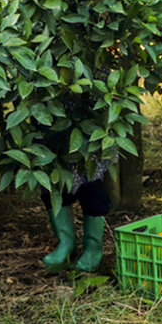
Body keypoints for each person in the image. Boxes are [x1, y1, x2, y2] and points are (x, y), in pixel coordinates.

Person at [38, 93, 112, 273]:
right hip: (48, 103)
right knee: (51, 178)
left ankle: (93, 249)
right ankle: (66, 243)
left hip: (86, 104)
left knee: (89, 178)